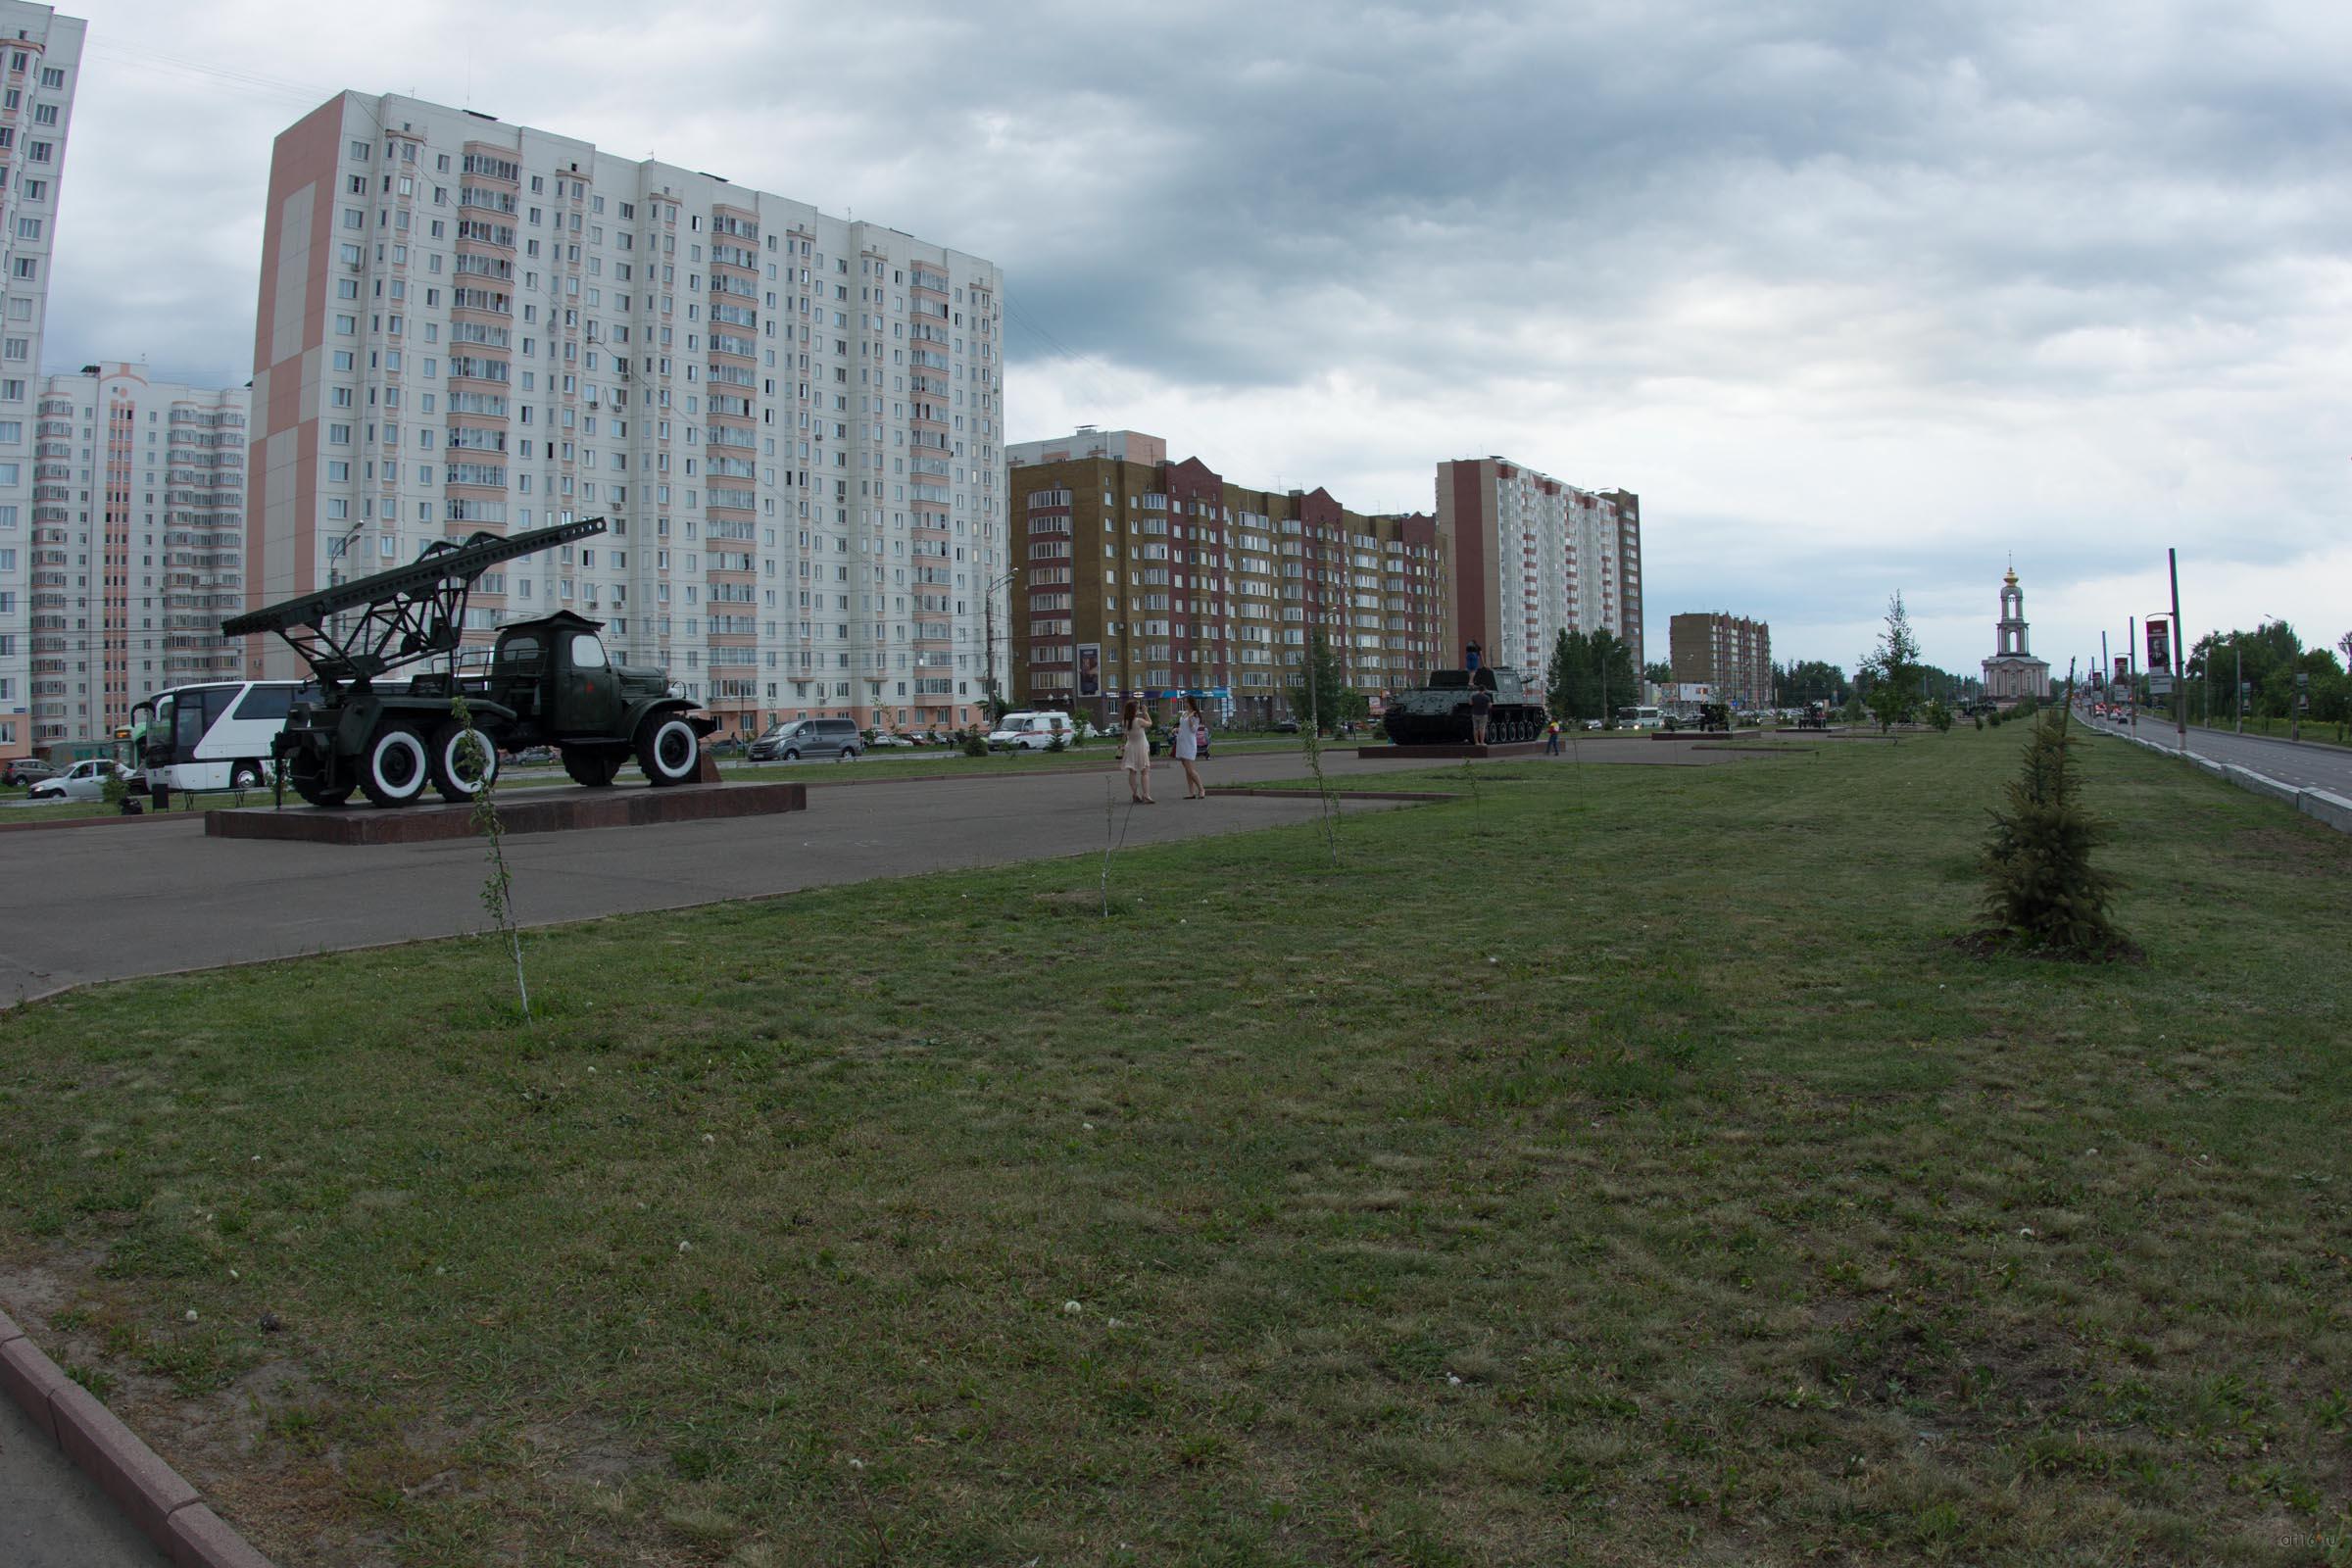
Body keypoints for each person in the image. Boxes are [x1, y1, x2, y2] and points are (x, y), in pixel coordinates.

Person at [1121, 698, 1155, 804]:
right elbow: (1150, 723)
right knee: (1144, 771)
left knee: (1133, 771)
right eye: (1138, 708)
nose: (1139, 710)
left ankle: (1135, 794)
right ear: (1134, 710)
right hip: (1141, 748)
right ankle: (1146, 795)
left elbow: (1125, 735)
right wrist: (1146, 712)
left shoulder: (1125, 721)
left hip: (1130, 747)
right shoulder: (1139, 721)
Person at [1174, 697, 1206, 800]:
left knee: (1190, 769)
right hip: (1181, 742)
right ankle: (1191, 792)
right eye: (1184, 702)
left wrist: (1190, 720)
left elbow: (1193, 730)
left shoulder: (1195, 715)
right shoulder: (1184, 713)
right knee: (1187, 770)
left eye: (1187, 702)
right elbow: (1183, 728)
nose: (1185, 704)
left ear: (1192, 703)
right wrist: (1176, 729)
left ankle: (1201, 789)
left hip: (1189, 743)